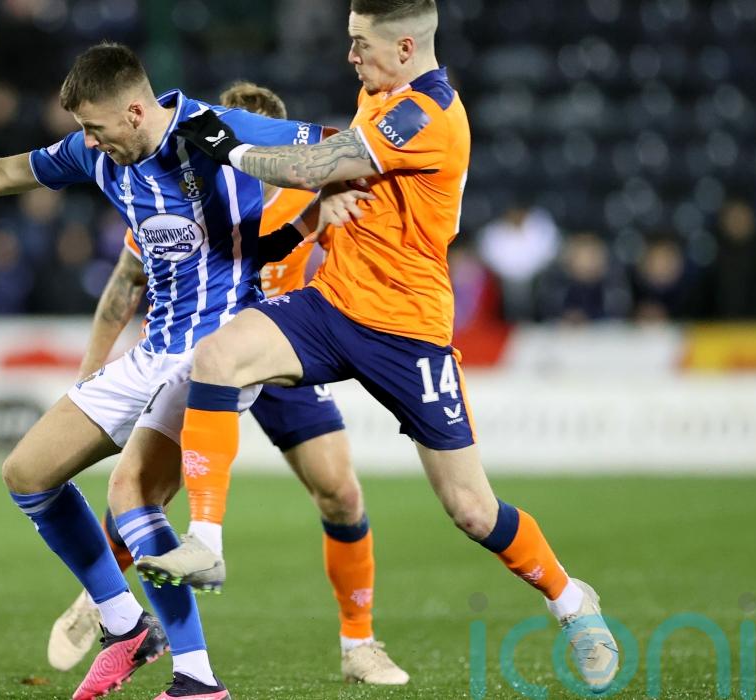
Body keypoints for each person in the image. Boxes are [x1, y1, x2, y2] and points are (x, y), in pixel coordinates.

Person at [0, 42, 361, 700]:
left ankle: (198, 680)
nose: (87, 141)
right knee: (27, 473)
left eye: (94, 127)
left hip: (219, 351)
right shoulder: (97, 154)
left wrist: (330, 191)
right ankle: (126, 626)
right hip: (153, 350)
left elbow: (344, 146)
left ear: (135, 111)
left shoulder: (212, 130)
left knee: (131, 495)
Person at [133, 0, 620, 692]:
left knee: (472, 510)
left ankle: (571, 601)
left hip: (409, 331)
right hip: (333, 305)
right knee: (219, 356)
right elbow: (326, 160)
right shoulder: (380, 91)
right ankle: (205, 542)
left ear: (405, 49)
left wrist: (226, 145)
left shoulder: (426, 113)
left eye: (361, 44)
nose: (350, 56)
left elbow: (318, 161)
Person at [47, 82, 407, 686]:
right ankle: (103, 600)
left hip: (283, 352)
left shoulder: (309, 194)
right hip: (203, 357)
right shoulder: (182, 193)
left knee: (342, 495)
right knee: (145, 488)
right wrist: (91, 370)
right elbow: (127, 282)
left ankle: (359, 644)